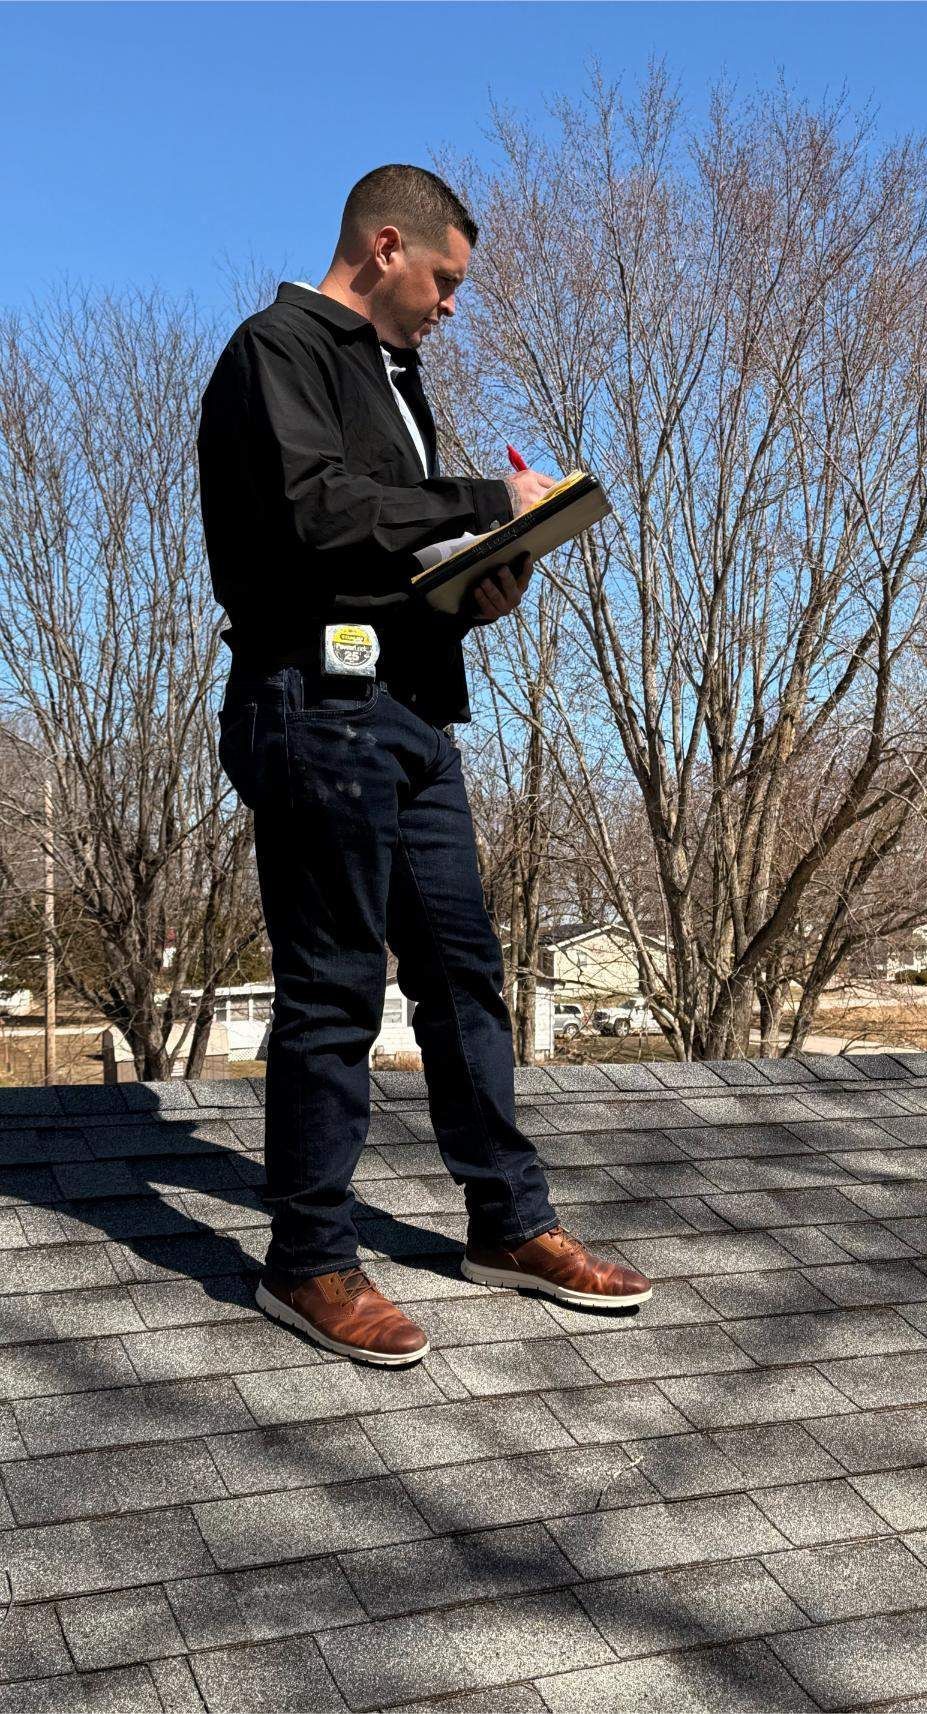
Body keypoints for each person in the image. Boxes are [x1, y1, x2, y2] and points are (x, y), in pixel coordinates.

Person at [196, 163, 652, 1366]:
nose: (454, 304)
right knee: (336, 986)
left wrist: (478, 584)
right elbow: (312, 517)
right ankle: (307, 1261)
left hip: (409, 707)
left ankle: (509, 1225)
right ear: (386, 245)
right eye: (446, 279)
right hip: (312, 699)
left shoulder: (397, 380)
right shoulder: (276, 348)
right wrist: (477, 497)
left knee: (464, 971)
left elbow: (382, 561)